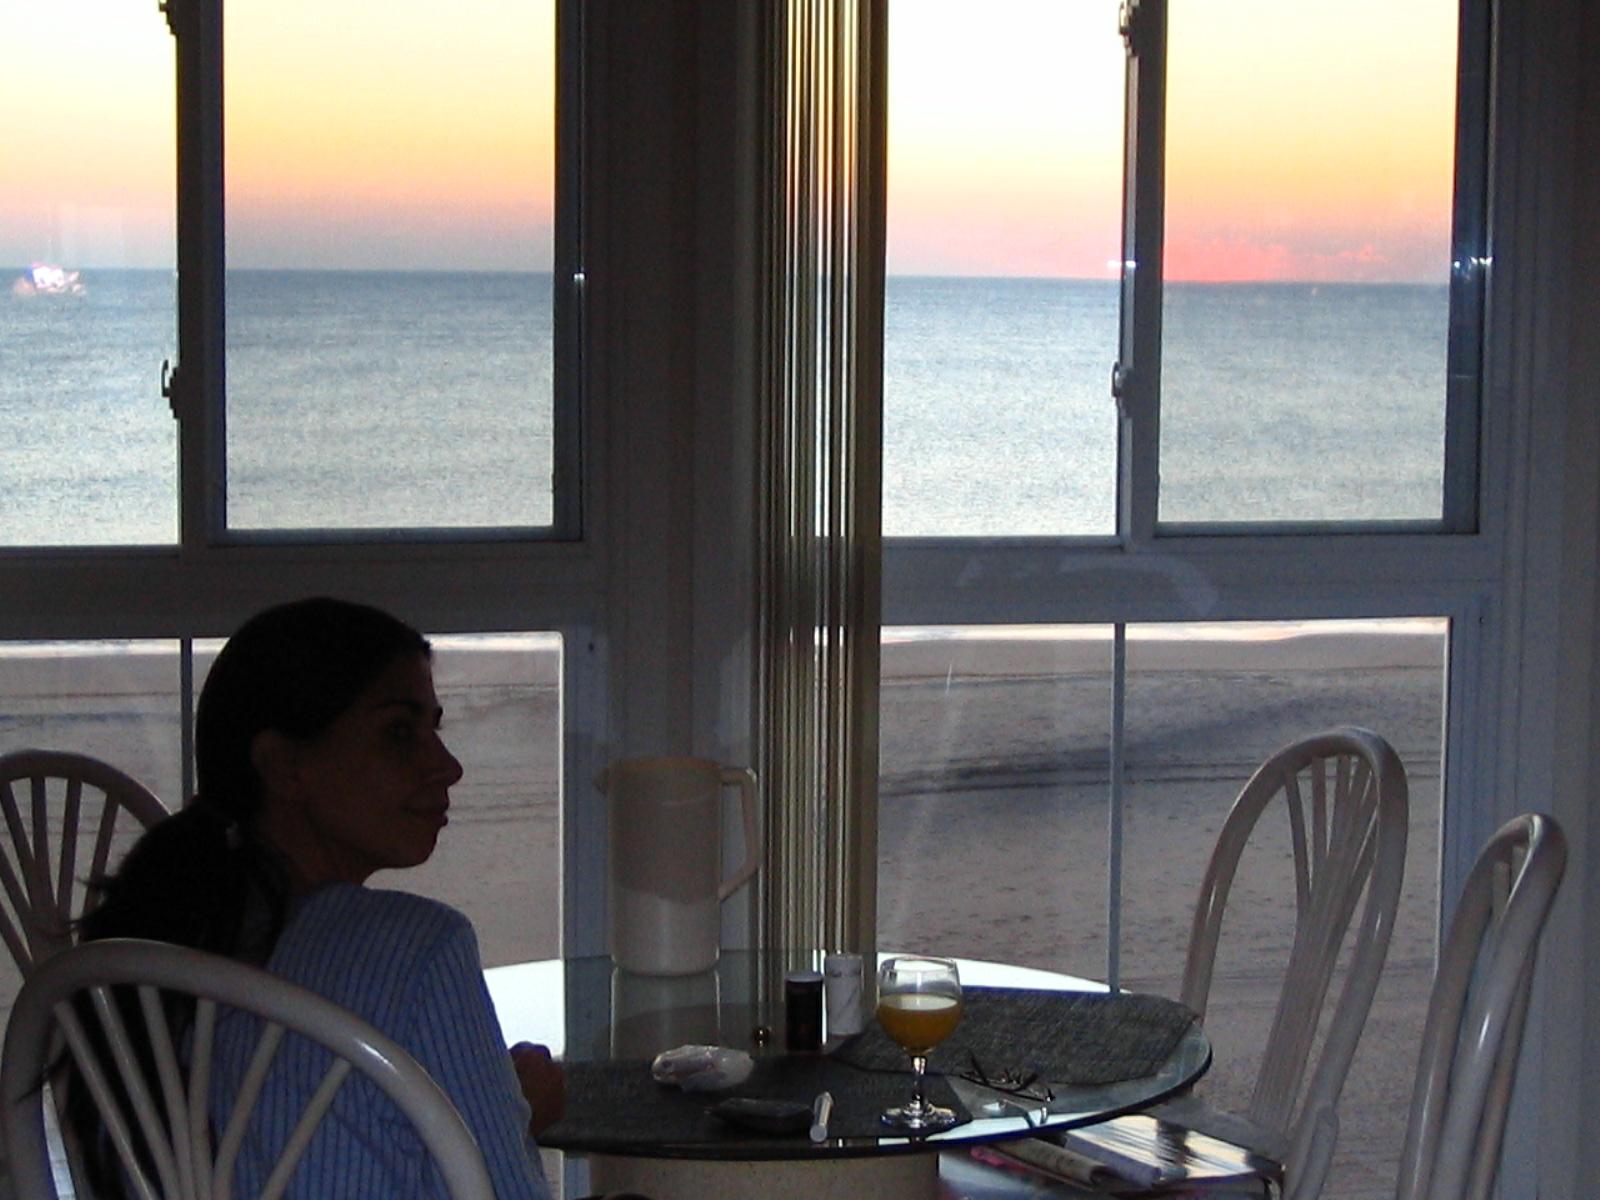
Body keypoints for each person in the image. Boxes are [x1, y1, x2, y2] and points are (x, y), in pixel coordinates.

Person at [71, 596, 566, 1199]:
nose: (448, 766)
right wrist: (515, 1120)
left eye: (434, 729)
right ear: (284, 765)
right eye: (399, 733)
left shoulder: (161, 944)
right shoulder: (417, 948)